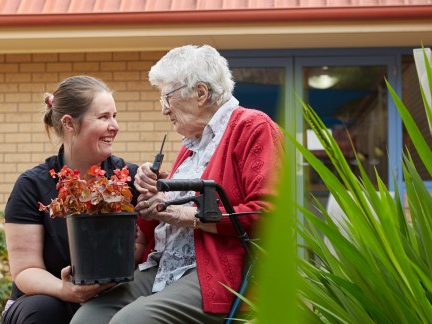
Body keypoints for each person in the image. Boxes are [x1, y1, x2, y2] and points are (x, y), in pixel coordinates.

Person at [71, 45, 284, 323]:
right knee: (87, 318)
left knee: (132, 321)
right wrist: (153, 192)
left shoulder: (254, 127)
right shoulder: (192, 144)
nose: (163, 110)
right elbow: (165, 221)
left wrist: (185, 214)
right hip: (166, 264)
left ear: (200, 93)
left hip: (220, 271)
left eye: (166, 97)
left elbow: (269, 215)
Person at [2, 75, 141, 324]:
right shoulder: (32, 185)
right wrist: (67, 290)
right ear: (69, 123)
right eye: (103, 117)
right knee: (43, 311)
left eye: (115, 116)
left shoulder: (131, 179)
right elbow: (25, 270)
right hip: (48, 296)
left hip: (114, 297)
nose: (115, 126)